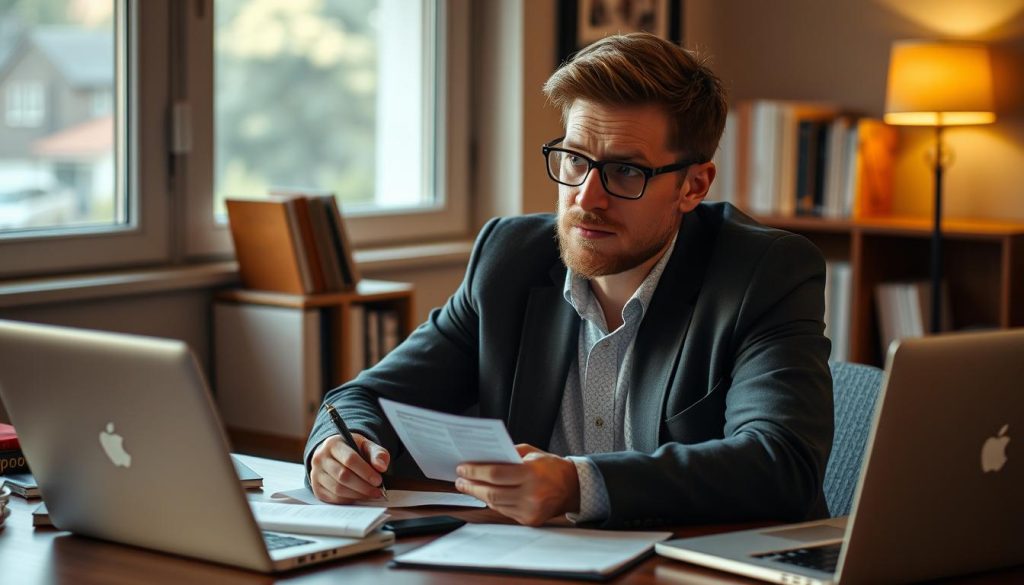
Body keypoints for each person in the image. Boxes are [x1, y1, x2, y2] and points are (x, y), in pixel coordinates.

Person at [305, 32, 833, 528]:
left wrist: (580, 485)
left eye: (626, 172)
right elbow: (364, 399)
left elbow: (781, 462)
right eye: (575, 159)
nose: (586, 196)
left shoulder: (764, 273)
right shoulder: (508, 260)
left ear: (693, 186)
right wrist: (337, 447)